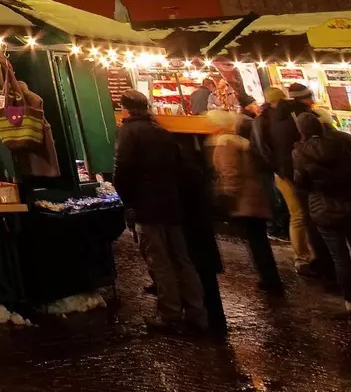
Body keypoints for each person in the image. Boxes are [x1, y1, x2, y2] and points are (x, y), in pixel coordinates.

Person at [114, 90, 205, 332]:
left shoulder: (128, 133)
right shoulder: (162, 131)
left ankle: (170, 313)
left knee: (159, 260)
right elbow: (180, 168)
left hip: (146, 205)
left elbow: (122, 170)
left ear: (126, 108)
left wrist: (127, 201)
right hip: (171, 203)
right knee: (182, 259)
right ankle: (197, 311)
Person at [292, 110, 351, 321]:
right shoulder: (341, 142)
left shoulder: (299, 152)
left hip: (323, 209)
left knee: (340, 260)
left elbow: (301, 183)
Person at [208, 106, 282, 294]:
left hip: (244, 200)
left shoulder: (225, 143)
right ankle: (271, 279)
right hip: (255, 196)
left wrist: (227, 196)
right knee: (259, 241)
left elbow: (230, 173)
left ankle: (271, 282)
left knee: (257, 242)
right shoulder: (241, 141)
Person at [252, 85, 319, 273]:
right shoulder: (293, 114)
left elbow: (260, 148)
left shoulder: (261, 119)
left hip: (281, 172)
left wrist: (275, 167)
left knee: (297, 214)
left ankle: (302, 257)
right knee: (306, 212)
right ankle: (312, 255)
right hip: (297, 169)